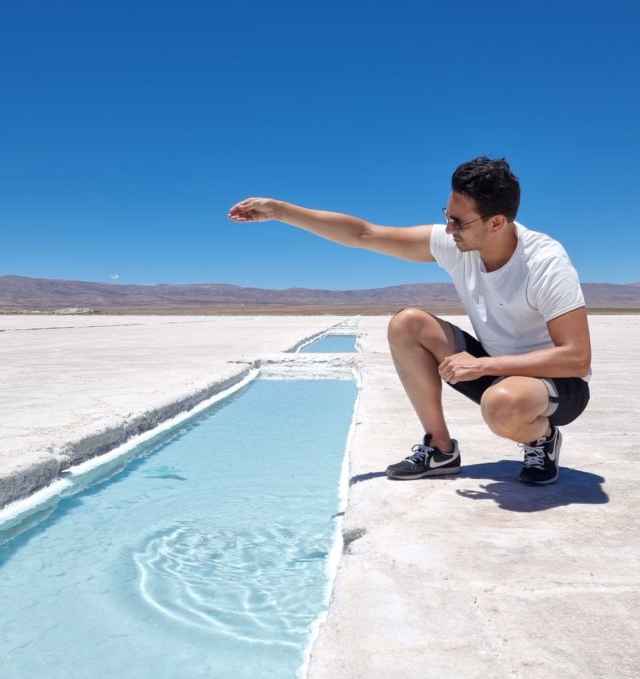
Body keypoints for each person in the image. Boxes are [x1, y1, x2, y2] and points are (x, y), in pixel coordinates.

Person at [227, 156, 591, 485]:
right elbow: (364, 233)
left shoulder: (544, 262)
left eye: (458, 221)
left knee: (502, 407)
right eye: (447, 215)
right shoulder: (459, 245)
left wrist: (485, 364)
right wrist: (280, 211)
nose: (449, 229)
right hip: (491, 370)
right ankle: (440, 449)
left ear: (496, 222)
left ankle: (541, 439)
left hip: (556, 383)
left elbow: (576, 357)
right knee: (407, 324)